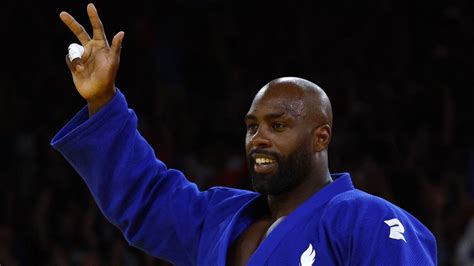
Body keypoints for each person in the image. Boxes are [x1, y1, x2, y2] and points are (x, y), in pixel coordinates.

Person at [51, 3, 437, 265]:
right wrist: (102, 99)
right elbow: (146, 197)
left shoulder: (365, 219)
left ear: (321, 138)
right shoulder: (220, 219)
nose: (259, 139)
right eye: (252, 127)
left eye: (278, 126)